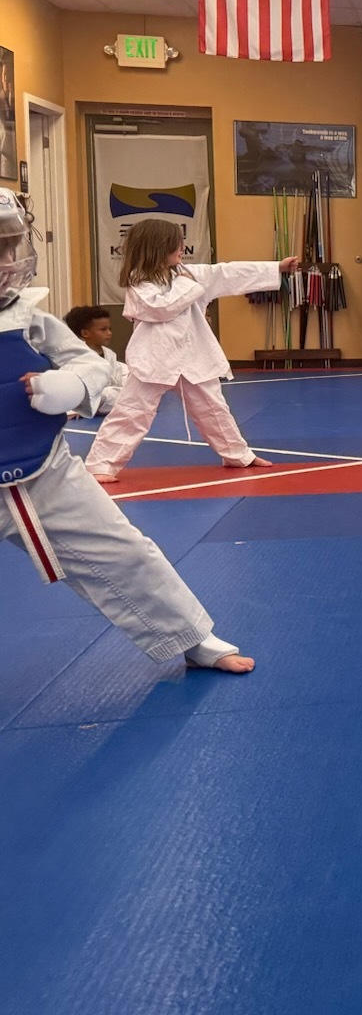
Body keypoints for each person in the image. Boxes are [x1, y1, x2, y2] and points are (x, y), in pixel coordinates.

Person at [0, 191, 252, 673]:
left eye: (9, 247)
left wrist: (69, 384)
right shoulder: (150, 286)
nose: (7, 261)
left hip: (45, 471)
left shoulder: (25, 316)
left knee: (126, 551)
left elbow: (83, 361)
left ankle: (191, 637)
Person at [83, 221, 295, 483]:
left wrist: (276, 268)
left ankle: (237, 454)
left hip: (194, 356)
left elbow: (228, 274)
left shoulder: (191, 274)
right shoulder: (139, 283)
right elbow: (161, 308)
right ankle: (101, 463)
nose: (182, 248)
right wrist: (189, 285)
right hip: (155, 359)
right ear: (159, 248)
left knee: (214, 409)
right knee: (132, 412)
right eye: (176, 243)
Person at [61, 304, 126, 415]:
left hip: (108, 408)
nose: (109, 333)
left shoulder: (110, 355)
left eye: (109, 329)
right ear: (85, 333)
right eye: (103, 330)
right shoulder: (73, 358)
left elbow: (121, 383)